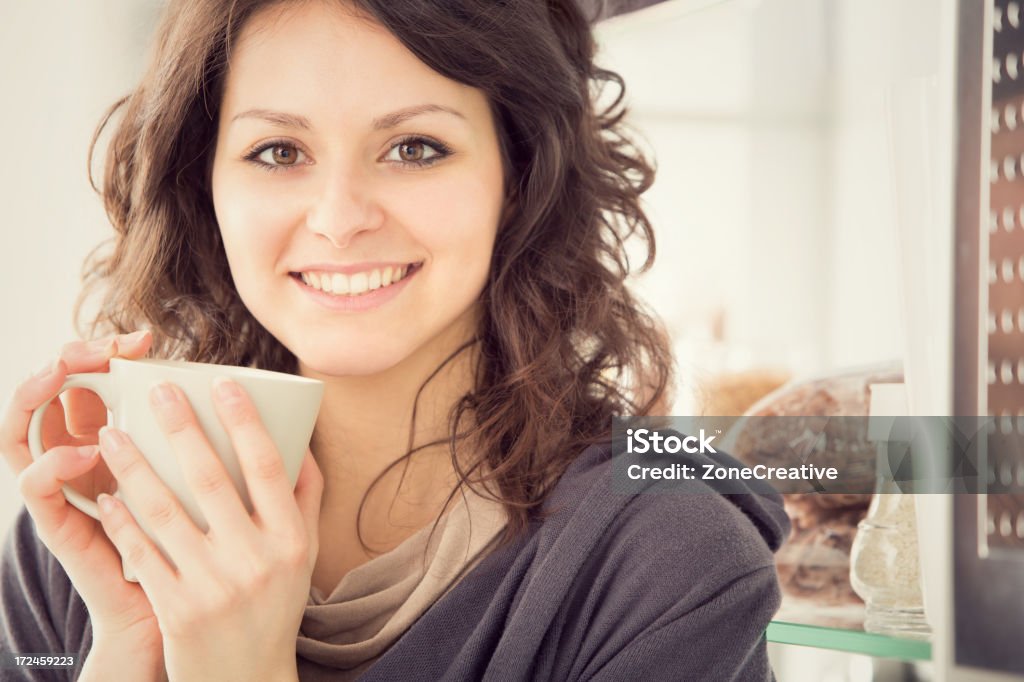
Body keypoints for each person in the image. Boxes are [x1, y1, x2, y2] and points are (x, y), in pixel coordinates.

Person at [0, 0, 790, 680]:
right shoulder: (85, 549)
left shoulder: (666, 564)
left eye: (415, 148)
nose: (340, 217)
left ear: (519, 181)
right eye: (278, 152)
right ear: (205, 189)